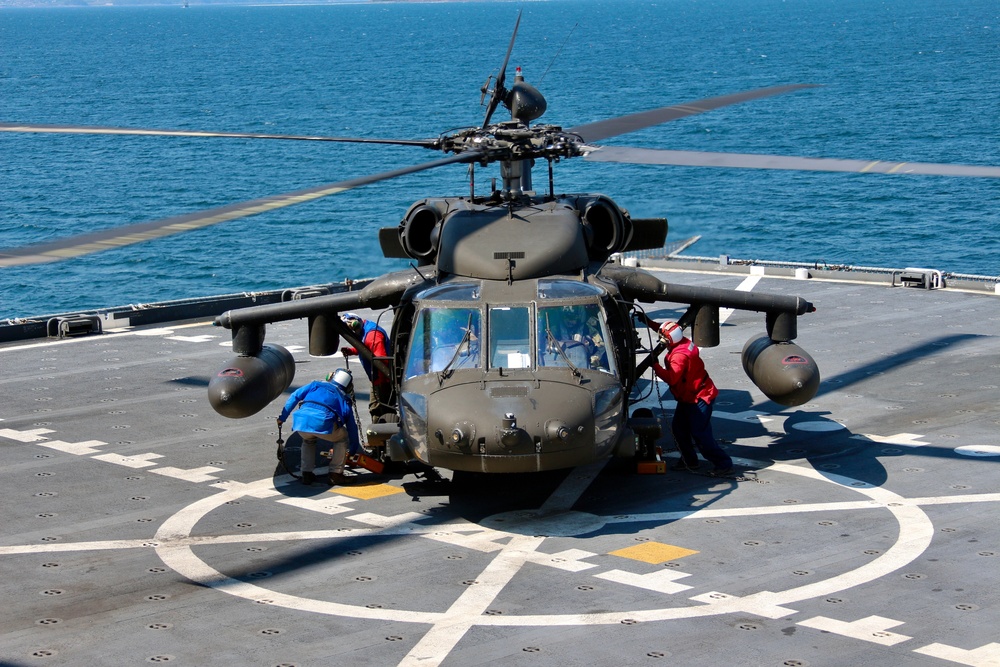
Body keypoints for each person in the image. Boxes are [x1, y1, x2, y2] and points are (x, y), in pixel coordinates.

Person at [651, 320, 734, 476]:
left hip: (698, 398)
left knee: (700, 434)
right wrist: (648, 322)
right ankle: (690, 460)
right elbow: (666, 330)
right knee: (679, 429)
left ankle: (723, 464)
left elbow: (672, 378)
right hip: (689, 397)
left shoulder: (679, 356)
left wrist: (654, 365)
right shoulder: (682, 342)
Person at [276, 369, 361, 486]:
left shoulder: (315, 385)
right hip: (323, 423)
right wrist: (353, 449)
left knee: (308, 440)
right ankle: (335, 474)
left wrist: (282, 417)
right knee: (342, 438)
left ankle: (306, 473)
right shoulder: (344, 399)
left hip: (301, 423)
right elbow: (352, 427)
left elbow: (294, 396)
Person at [339, 313, 396, 423]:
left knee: (380, 409)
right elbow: (366, 348)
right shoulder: (364, 330)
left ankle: (381, 435)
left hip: (382, 379)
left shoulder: (372, 335)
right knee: (378, 408)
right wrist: (351, 351)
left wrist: (380, 384)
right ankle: (380, 434)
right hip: (377, 378)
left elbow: (381, 359)